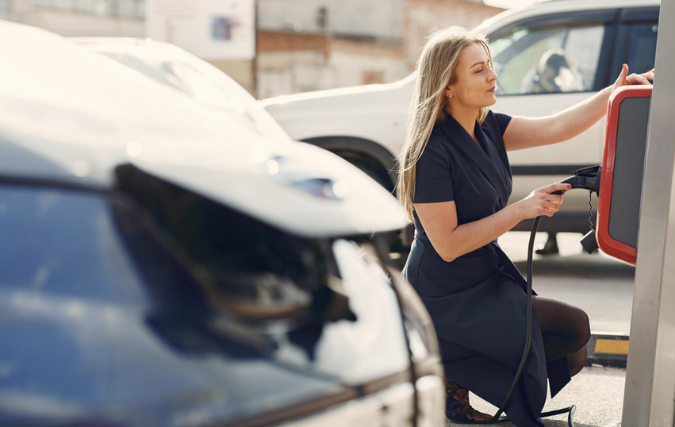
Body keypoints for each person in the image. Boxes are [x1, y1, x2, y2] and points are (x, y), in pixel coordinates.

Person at [397, 27, 653, 426]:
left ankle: (451, 371)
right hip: (444, 294)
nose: (493, 77)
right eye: (479, 70)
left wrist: (615, 93)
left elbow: (555, 128)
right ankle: (447, 363)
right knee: (569, 330)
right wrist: (522, 210)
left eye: (490, 67)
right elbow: (446, 245)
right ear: (447, 85)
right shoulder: (430, 150)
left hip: (483, 277)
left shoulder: (489, 127)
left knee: (574, 335)